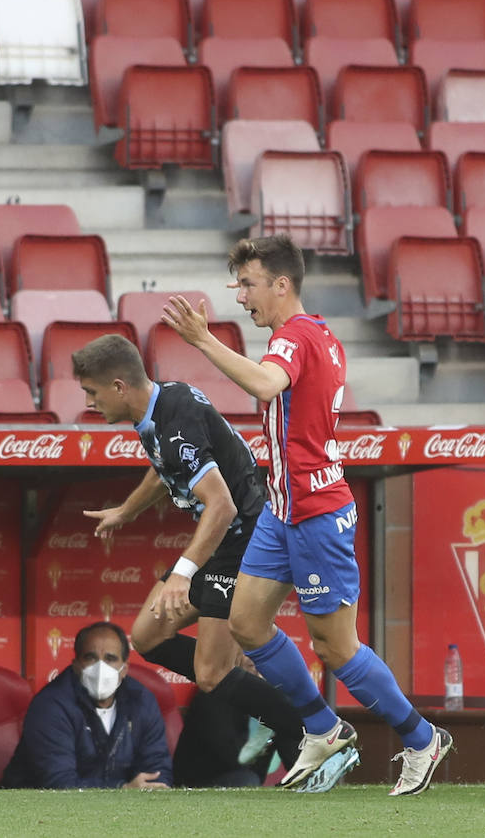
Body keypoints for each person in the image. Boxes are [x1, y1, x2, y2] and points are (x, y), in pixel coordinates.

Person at [162, 234, 453, 796]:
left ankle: (421, 739)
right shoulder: (316, 333)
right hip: (282, 508)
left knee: (336, 648)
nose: (241, 297)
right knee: (246, 622)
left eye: (247, 285)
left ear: (281, 284)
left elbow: (267, 383)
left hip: (316, 512)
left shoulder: (294, 337)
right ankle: (323, 727)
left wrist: (202, 341)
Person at [72, 333, 315, 785]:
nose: (89, 402)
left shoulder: (173, 424)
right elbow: (164, 463)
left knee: (209, 674)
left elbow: (221, 506)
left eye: (92, 392)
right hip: (221, 543)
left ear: (120, 387)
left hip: (242, 544)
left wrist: (183, 572)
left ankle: (308, 730)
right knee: (145, 634)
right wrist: (128, 510)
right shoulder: (163, 406)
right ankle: (262, 694)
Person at [1, 621, 172, 790]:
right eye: (91, 658)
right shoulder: (50, 705)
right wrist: (122, 790)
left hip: (119, 810)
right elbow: (58, 785)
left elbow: (157, 769)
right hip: (37, 811)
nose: (100, 667)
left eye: (110, 659)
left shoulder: (141, 700)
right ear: (76, 665)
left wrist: (150, 789)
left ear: (124, 668)